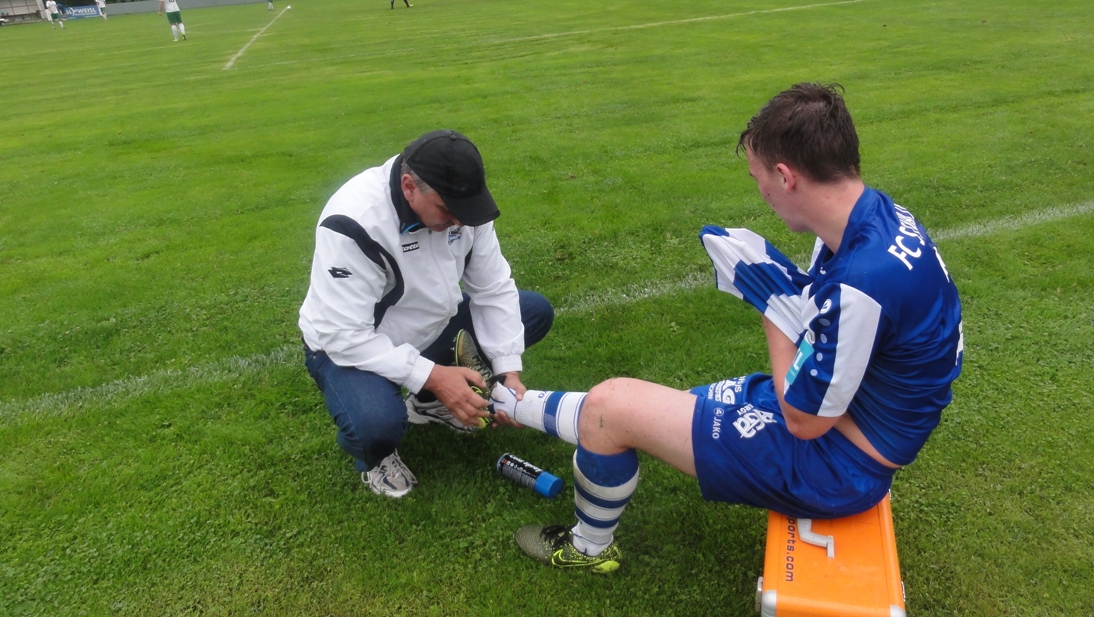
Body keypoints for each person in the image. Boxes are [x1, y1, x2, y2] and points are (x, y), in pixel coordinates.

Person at [485, 83, 964, 572]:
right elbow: (844, 331)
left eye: (759, 177)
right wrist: (787, 287)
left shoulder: (861, 283)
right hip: (854, 420)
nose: (761, 192)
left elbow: (803, 421)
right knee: (663, 408)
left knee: (613, 406)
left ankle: (588, 549)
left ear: (786, 176)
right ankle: (504, 403)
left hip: (837, 465)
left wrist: (768, 301)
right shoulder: (880, 215)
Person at [299, 129, 554, 498]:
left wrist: (507, 372)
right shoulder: (353, 222)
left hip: (428, 327)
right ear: (408, 187)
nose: (460, 222)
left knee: (531, 311)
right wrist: (433, 376)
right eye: (447, 211)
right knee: (377, 425)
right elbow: (343, 334)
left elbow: (493, 288)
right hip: (346, 346)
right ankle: (377, 456)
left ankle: (427, 404)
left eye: (466, 211)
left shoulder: (463, 209)